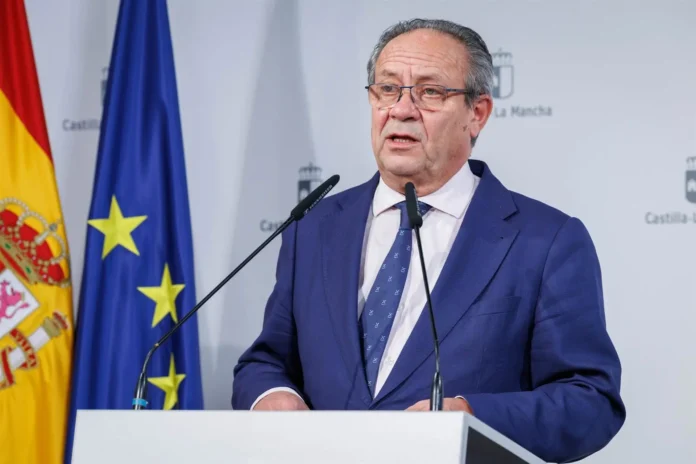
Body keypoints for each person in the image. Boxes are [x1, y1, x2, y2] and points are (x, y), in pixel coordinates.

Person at [232, 18, 625, 463]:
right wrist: (272, 395)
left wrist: (472, 416)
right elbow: (266, 361)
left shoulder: (545, 241)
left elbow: (590, 401)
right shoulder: (314, 227)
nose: (401, 110)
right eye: (387, 89)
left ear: (477, 113)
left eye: (430, 92)